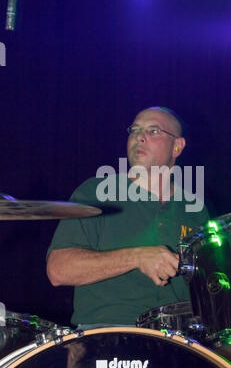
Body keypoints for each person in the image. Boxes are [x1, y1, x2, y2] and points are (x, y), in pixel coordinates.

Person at [46, 107, 209, 329]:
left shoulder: (196, 208)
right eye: (135, 130)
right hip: (109, 333)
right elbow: (58, 270)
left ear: (177, 146)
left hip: (180, 338)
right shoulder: (97, 192)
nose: (139, 137)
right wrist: (137, 257)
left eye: (153, 131)